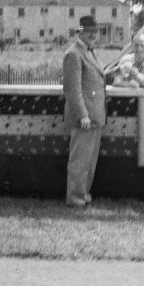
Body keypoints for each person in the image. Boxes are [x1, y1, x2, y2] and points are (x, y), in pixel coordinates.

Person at [63, 15, 109, 208]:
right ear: (80, 32)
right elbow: (73, 89)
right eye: (89, 32)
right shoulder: (74, 54)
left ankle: (83, 195)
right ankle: (75, 199)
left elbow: (97, 78)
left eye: (96, 32)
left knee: (89, 162)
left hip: (95, 117)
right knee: (80, 162)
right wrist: (83, 115)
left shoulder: (89, 52)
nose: (93, 35)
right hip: (85, 118)